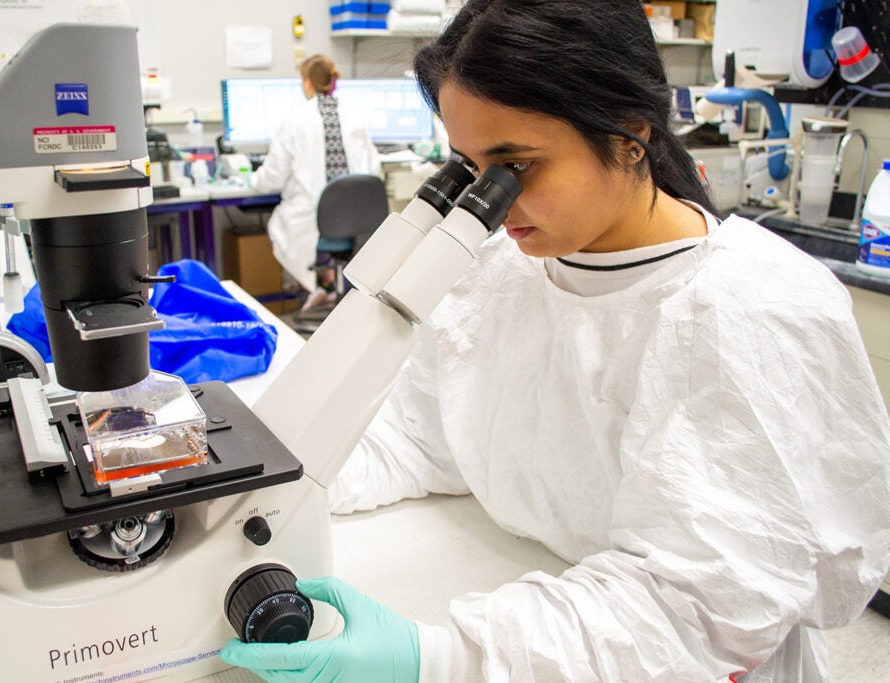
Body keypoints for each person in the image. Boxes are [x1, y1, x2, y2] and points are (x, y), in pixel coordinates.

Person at [221, 1, 890, 681]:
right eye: (469, 166)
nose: (492, 199)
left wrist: (448, 657)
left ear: (631, 135)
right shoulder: (499, 273)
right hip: (542, 621)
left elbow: (692, 610)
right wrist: (261, 486)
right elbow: (424, 435)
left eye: (517, 165)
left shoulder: (751, 314)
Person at [250, 54, 381, 311]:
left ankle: (322, 284)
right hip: (359, 220)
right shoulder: (355, 116)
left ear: (307, 83)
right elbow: (374, 169)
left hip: (315, 219)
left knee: (281, 224)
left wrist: (252, 178)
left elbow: (272, 178)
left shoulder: (295, 120)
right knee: (323, 225)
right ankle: (328, 284)